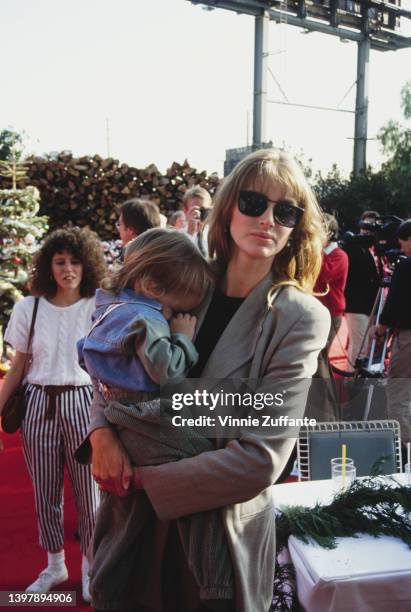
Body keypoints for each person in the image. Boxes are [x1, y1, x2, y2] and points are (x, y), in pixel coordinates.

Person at [79, 148, 330, 612]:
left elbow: (260, 457)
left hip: (218, 537)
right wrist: (100, 433)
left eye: (286, 211)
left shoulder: (299, 317)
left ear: (297, 226)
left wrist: (142, 477)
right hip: (129, 526)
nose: (268, 219)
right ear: (229, 206)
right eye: (255, 203)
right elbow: (111, 347)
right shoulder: (188, 277)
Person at [77, 229, 224, 609]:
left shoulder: (106, 307)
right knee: (202, 458)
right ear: (150, 284)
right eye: (176, 305)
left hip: (118, 411)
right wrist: (182, 336)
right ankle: (215, 583)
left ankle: (105, 584)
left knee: (122, 517)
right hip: (150, 415)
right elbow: (167, 371)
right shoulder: (147, 319)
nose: (177, 313)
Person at [0, 227, 107, 601]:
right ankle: (55, 564)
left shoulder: (98, 307)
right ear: (48, 266)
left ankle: (91, 569)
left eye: (75, 261)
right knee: (44, 492)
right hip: (38, 404)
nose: (68, 269)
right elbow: (17, 368)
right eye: (60, 261)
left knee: (89, 495)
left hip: (83, 403)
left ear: (87, 265)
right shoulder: (29, 308)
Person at [372, 219, 411, 445]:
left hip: (407, 336)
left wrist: (381, 327)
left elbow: (394, 301)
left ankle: (401, 447)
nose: (402, 248)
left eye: (403, 243)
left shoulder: (405, 266)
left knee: (398, 391)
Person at [344, 210, 384, 370]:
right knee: (359, 346)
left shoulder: (379, 249)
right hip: (356, 306)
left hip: (374, 305)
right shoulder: (352, 246)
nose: (367, 229)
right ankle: (351, 384)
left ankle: (361, 379)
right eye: (365, 225)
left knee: (368, 347)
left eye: (372, 226)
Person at [315, 213, 349, 351]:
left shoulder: (340, 255)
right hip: (315, 307)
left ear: (329, 233)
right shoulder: (320, 252)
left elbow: (323, 274)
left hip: (331, 310)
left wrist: (314, 248)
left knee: (320, 355)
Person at [182, 186, 212, 256]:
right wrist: (190, 234)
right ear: (185, 211)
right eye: (195, 209)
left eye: (203, 209)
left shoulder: (217, 235)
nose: (199, 213)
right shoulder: (176, 237)